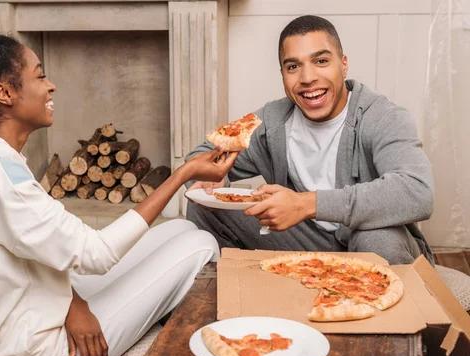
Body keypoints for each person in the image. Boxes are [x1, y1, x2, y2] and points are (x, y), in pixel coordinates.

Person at [0, 32, 239, 356]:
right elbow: (97, 254)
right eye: (40, 75)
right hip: (45, 353)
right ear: (4, 93)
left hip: (36, 311)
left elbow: (31, 252)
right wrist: (184, 173)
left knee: (182, 230)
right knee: (201, 245)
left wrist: (72, 304)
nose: (52, 86)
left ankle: (153, 307)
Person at [185, 15, 435, 266]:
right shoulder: (271, 122)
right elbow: (205, 153)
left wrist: (305, 204)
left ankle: (386, 300)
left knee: (377, 240)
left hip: (367, 242)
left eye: (321, 61)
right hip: (309, 242)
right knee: (203, 204)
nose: (307, 78)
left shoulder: (383, 117)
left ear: (344, 64)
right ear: (282, 73)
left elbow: (417, 192)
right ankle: (241, 288)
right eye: (293, 67)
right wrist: (209, 174)